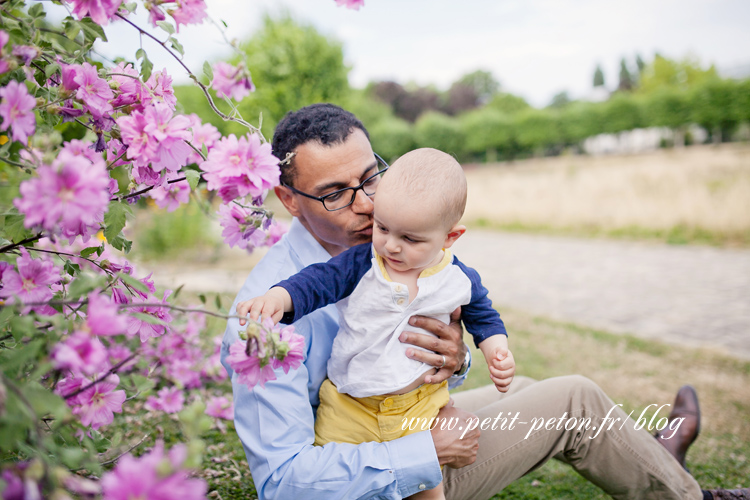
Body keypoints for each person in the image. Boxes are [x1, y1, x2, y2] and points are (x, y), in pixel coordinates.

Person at [220, 103, 749, 500]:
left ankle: (652, 457)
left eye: (371, 178)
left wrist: (457, 359)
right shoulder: (267, 313)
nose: (366, 205)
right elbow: (284, 481)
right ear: (288, 199)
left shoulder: (397, 251)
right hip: (371, 469)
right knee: (573, 400)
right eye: (336, 193)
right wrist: (425, 454)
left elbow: (420, 355)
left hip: (403, 419)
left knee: (521, 388)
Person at [235, 148, 512, 500]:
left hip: (419, 407)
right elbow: (316, 283)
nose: (391, 246)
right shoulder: (363, 263)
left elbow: (482, 315)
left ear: (450, 238)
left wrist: (496, 350)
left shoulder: (457, 277)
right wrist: (277, 298)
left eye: (409, 239)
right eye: (383, 228)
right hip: (351, 406)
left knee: (428, 490)